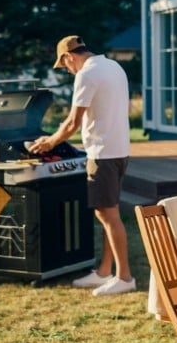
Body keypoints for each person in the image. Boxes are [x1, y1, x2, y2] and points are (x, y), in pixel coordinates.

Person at [30, 35, 135, 296]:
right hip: (120, 150)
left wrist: (49, 143)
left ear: (69, 56)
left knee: (107, 215)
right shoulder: (113, 66)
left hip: (102, 154)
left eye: (64, 65)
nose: (66, 69)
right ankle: (104, 272)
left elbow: (72, 122)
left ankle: (124, 277)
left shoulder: (86, 74)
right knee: (109, 214)